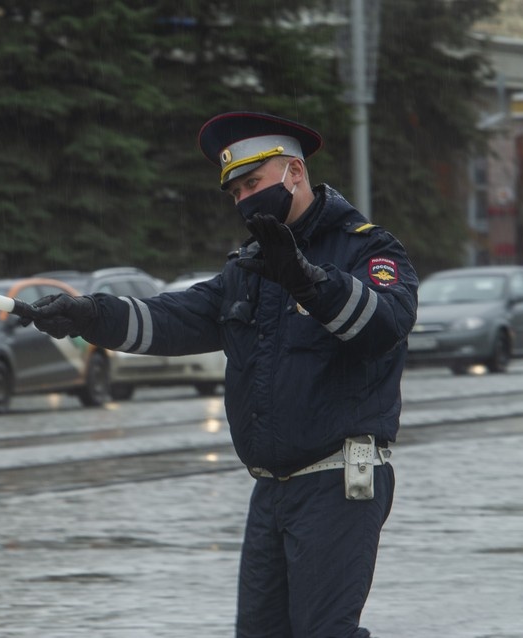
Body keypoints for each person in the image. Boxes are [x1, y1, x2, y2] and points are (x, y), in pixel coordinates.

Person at [27, 111, 418, 637]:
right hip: (270, 488)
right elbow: (173, 319)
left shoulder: (367, 248)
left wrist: (309, 283)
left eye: (253, 183)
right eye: (235, 192)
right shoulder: (250, 267)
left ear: (295, 172)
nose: (244, 200)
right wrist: (89, 314)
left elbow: (385, 327)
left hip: (339, 480)